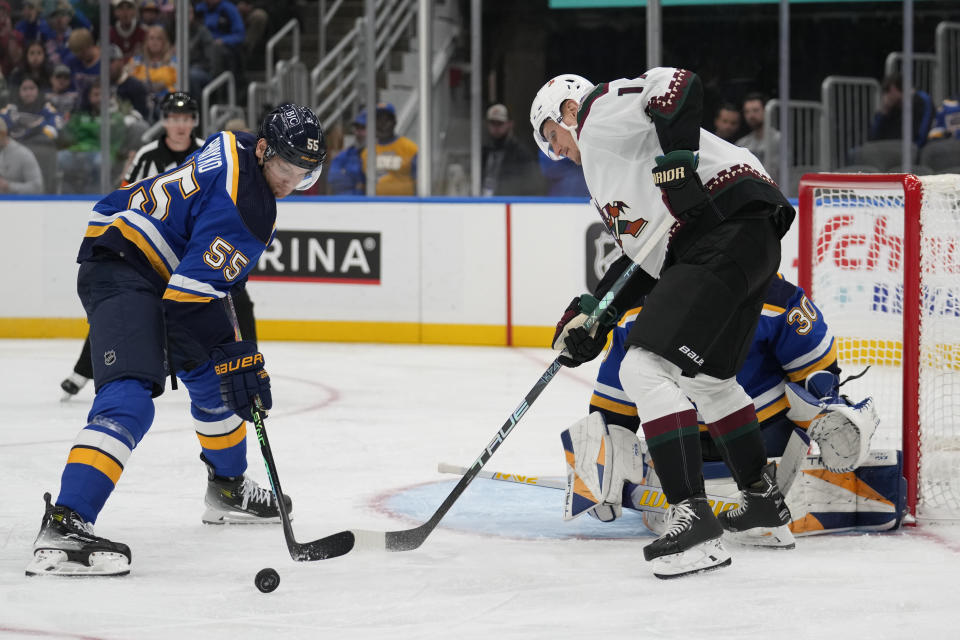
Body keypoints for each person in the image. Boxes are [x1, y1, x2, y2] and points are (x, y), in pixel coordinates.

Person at [27, 103, 326, 577]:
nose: (291, 182)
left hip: (155, 259)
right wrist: (237, 352)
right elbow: (190, 299)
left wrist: (231, 357)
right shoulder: (250, 210)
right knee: (130, 398)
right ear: (266, 151)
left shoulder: (237, 142)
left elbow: (197, 281)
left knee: (215, 380)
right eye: (287, 169)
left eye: (304, 174)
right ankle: (66, 522)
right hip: (122, 262)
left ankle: (227, 488)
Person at [531, 69, 796, 578]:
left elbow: (677, 85)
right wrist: (598, 313)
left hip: (726, 224)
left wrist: (678, 159)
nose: (554, 148)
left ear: (565, 110)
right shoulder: (610, 173)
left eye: (550, 134)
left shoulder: (596, 114)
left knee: (644, 368)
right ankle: (763, 501)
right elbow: (645, 261)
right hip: (746, 237)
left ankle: (693, 520)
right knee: (710, 381)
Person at [481, 103, 542, 196]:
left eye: (500, 123)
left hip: (509, 203)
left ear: (510, 124)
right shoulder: (483, 152)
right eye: (492, 123)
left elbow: (533, 185)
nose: (496, 127)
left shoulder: (521, 154)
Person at [868, 72, 934, 149]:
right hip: (889, 151)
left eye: (888, 91)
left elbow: (921, 135)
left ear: (895, 88)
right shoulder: (890, 108)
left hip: (912, 151)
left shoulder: (922, 100)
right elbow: (872, 139)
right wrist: (883, 113)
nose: (885, 97)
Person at [735, 92, 779, 180]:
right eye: (747, 112)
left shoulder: (778, 139)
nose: (751, 115)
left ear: (766, 111)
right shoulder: (741, 143)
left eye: (755, 110)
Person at [0, 116, 43, 194]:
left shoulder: (24, 155)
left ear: (2, 134)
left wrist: (9, 186)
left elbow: (37, 187)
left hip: (17, 204)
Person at [326, 110, 365, 195]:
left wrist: (347, 174)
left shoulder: (379, 152)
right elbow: (333, 179)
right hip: (347, 203)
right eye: (357, 128)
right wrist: (359, 182)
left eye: (363, 128)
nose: (358, 132)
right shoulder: (347, 154)